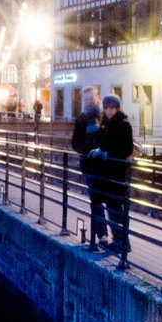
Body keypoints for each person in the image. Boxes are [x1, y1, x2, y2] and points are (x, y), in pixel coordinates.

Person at [87, 95, 136, 257]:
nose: (108, 111)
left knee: (116, 209)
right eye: (106, 108)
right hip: (106, 174)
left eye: (111, 108)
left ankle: (123, 243)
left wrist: (106, 152)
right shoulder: (106, 124)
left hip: (116, 173)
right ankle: (117, 240)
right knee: (111, 207)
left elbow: (126, 149)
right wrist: (99, 150)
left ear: (117, 108)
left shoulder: (123, 125)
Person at [71, 97, 104, 245]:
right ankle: (102, 234)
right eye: (87, 98)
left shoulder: (103, 116)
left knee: (106, 199)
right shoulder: (81, 119)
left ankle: (113, 237)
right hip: (90, 164)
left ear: (97, 98)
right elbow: (75, 143)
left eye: (91, 98)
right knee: (96, 199)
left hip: (104, 163)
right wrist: (87, 150)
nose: (88, 102)